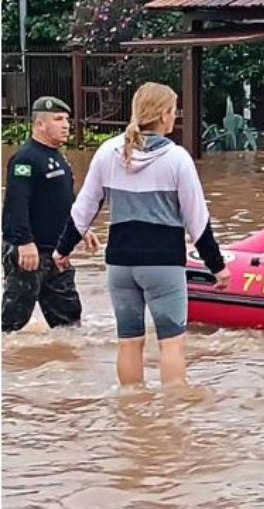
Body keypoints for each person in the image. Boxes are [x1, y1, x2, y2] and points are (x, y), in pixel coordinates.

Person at [54, 82, 231, 387]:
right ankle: (172, 417)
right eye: (173, 112)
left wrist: (62, 250)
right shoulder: (177, 159)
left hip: (121, 265)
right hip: (163, 264)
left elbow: (83, 208)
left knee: (129, 342)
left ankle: (131, 413)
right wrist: (218, 267)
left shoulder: (107, 151)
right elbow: (197, 221)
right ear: (164, 115)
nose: (174, 118)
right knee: (171, 344)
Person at [2, 96, 99, 332]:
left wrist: (83, 227)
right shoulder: (25, 159)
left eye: (66, 119)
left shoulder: (59, 157)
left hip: (57, 252)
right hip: (30, 251)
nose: (66, 124)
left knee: (69, 320)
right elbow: (16, 202)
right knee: (13, 322)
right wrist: (24, 242)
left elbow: (64, 198)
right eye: (58, 119)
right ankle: (11, 367)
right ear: (40, 124)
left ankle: (68, 366)